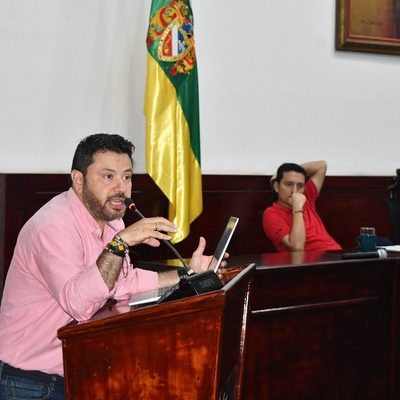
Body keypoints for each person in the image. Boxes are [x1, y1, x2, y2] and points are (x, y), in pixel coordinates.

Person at [0, 133, 218, 400]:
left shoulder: (111, 220)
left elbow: (123, 283)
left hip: (76, 367)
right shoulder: (52, 226)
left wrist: (189, 274)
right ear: (78, 180)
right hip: (30, 381)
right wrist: (120, 243)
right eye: (108, 176)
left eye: (126, 177)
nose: (120, 188)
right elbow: (79, 305)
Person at [263, 160, 341, 253]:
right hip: (312, 259)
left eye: (300, 185)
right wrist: (297, 207)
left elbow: (321, 166)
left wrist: (278, 174)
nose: (294, 191)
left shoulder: (306, 196)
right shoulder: (271, 214)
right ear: (276, 186)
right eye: (289, 184)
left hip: (336, 253)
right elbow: (297, 247)